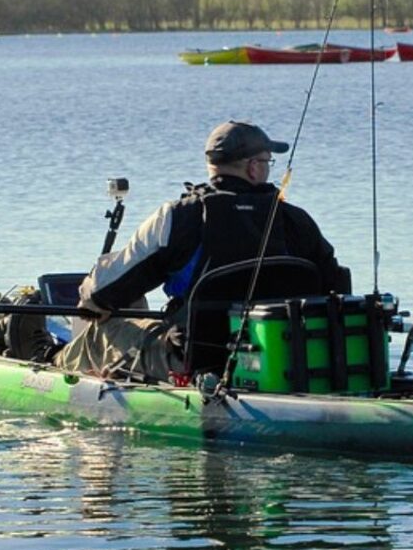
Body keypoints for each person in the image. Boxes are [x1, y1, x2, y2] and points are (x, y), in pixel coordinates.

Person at [53, 120, 347, 380]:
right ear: (253, 168)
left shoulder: (179, 217)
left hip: (195, 362)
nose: (269, 168)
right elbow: (336, 289)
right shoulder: (297, 221)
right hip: (286, 359)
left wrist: (90, 297)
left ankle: (46, 363)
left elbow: (102, 292)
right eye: (268, 161)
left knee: (103, 329)